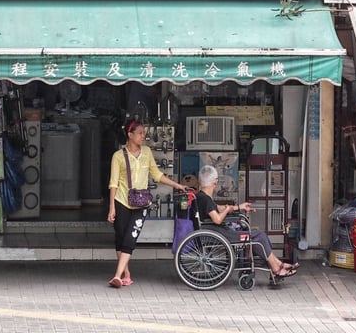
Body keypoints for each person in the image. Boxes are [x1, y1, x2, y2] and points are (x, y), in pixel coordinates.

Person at [106, 119, 187, 288]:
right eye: (140, 133)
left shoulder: (147, 152)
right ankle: (126, 274)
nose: (144, 136)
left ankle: (117, 276)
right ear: (130, 135)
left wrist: (177, 185)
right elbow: (113, 183)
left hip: (141, 203)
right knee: (120, 239)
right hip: (121, 201)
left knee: (130, 239)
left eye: (144, 133)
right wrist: (111, 207)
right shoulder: (118, 156)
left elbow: (157, 175)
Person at [193, 164, 298, 278]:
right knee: (260, 236)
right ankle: (276, 268)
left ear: (200, 180)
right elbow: (217, 219)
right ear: (215, 182)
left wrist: (240, 207)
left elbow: (218, 208)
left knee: (258, 237)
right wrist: (228, 209)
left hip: (217, 232)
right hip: (223, 234)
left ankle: (278, 265)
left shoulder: (201, 196)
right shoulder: (206, 199)